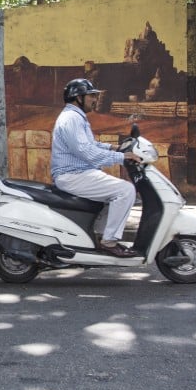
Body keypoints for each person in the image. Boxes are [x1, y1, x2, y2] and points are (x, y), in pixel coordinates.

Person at [50, 78, 142, 258]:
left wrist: (114, 148)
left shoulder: (76, 117)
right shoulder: (71, 119)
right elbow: (87, 152)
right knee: (126, 190)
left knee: (114, 192)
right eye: (91, 96)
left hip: (78, 174)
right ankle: (109, 242)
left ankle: (98, 237)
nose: (95, 99)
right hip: (73, 175)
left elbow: (89, 145)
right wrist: (122, 157)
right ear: (78, 98)